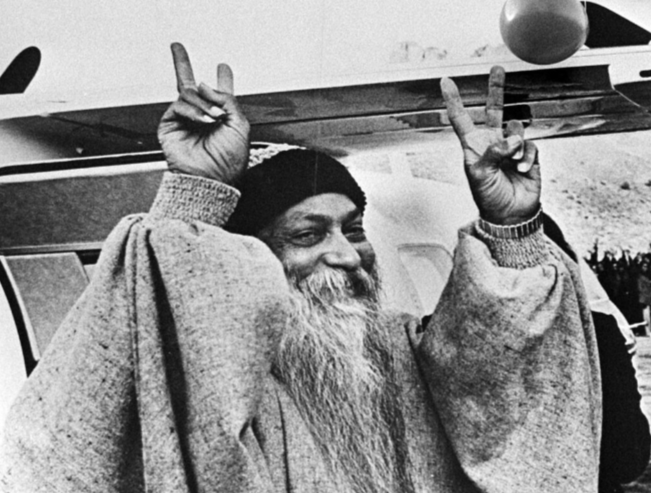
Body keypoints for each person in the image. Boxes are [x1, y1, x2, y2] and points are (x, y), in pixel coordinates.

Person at [1, 43, 603, 493]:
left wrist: (511, 226)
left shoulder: (398, 352)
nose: (347, 254)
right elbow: (98, 417)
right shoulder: (216, 385)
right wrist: (195, 195)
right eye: (308, 235)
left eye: (354, 228)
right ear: (245, 262)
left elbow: (501, 381)